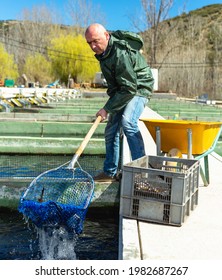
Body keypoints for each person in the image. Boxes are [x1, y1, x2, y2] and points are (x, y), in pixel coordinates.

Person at [85, 23, 154, 182]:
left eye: (96, 41)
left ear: (107, 36)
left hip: (139, 87)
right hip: (125, 89)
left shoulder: (120, 53)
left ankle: (141, 173)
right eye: (89, 43)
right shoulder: (104, 54)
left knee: (128, 122)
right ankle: (109, 173)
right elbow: (116, 85)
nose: (93, 46)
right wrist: (110, 107)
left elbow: (130, 88)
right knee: (111, 130)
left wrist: (107, 108)